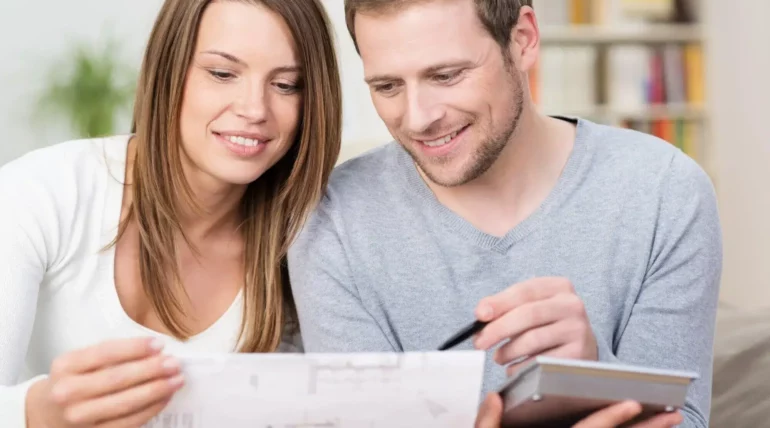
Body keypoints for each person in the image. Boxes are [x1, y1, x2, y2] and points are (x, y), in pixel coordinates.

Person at [287, 0, 721, 427]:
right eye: (387, 87)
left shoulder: (664, 190)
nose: (418, 118)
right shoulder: (331, 221)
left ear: (523, 39)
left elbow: (686, 421)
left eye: (446, 75)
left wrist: (594, 373)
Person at [0, 0, 341, 426]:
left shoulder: (310, 246)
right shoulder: (39, 193)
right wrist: (35, 414)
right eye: (222, 74)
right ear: (167, 70)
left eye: (287, 85)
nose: (255, 109)